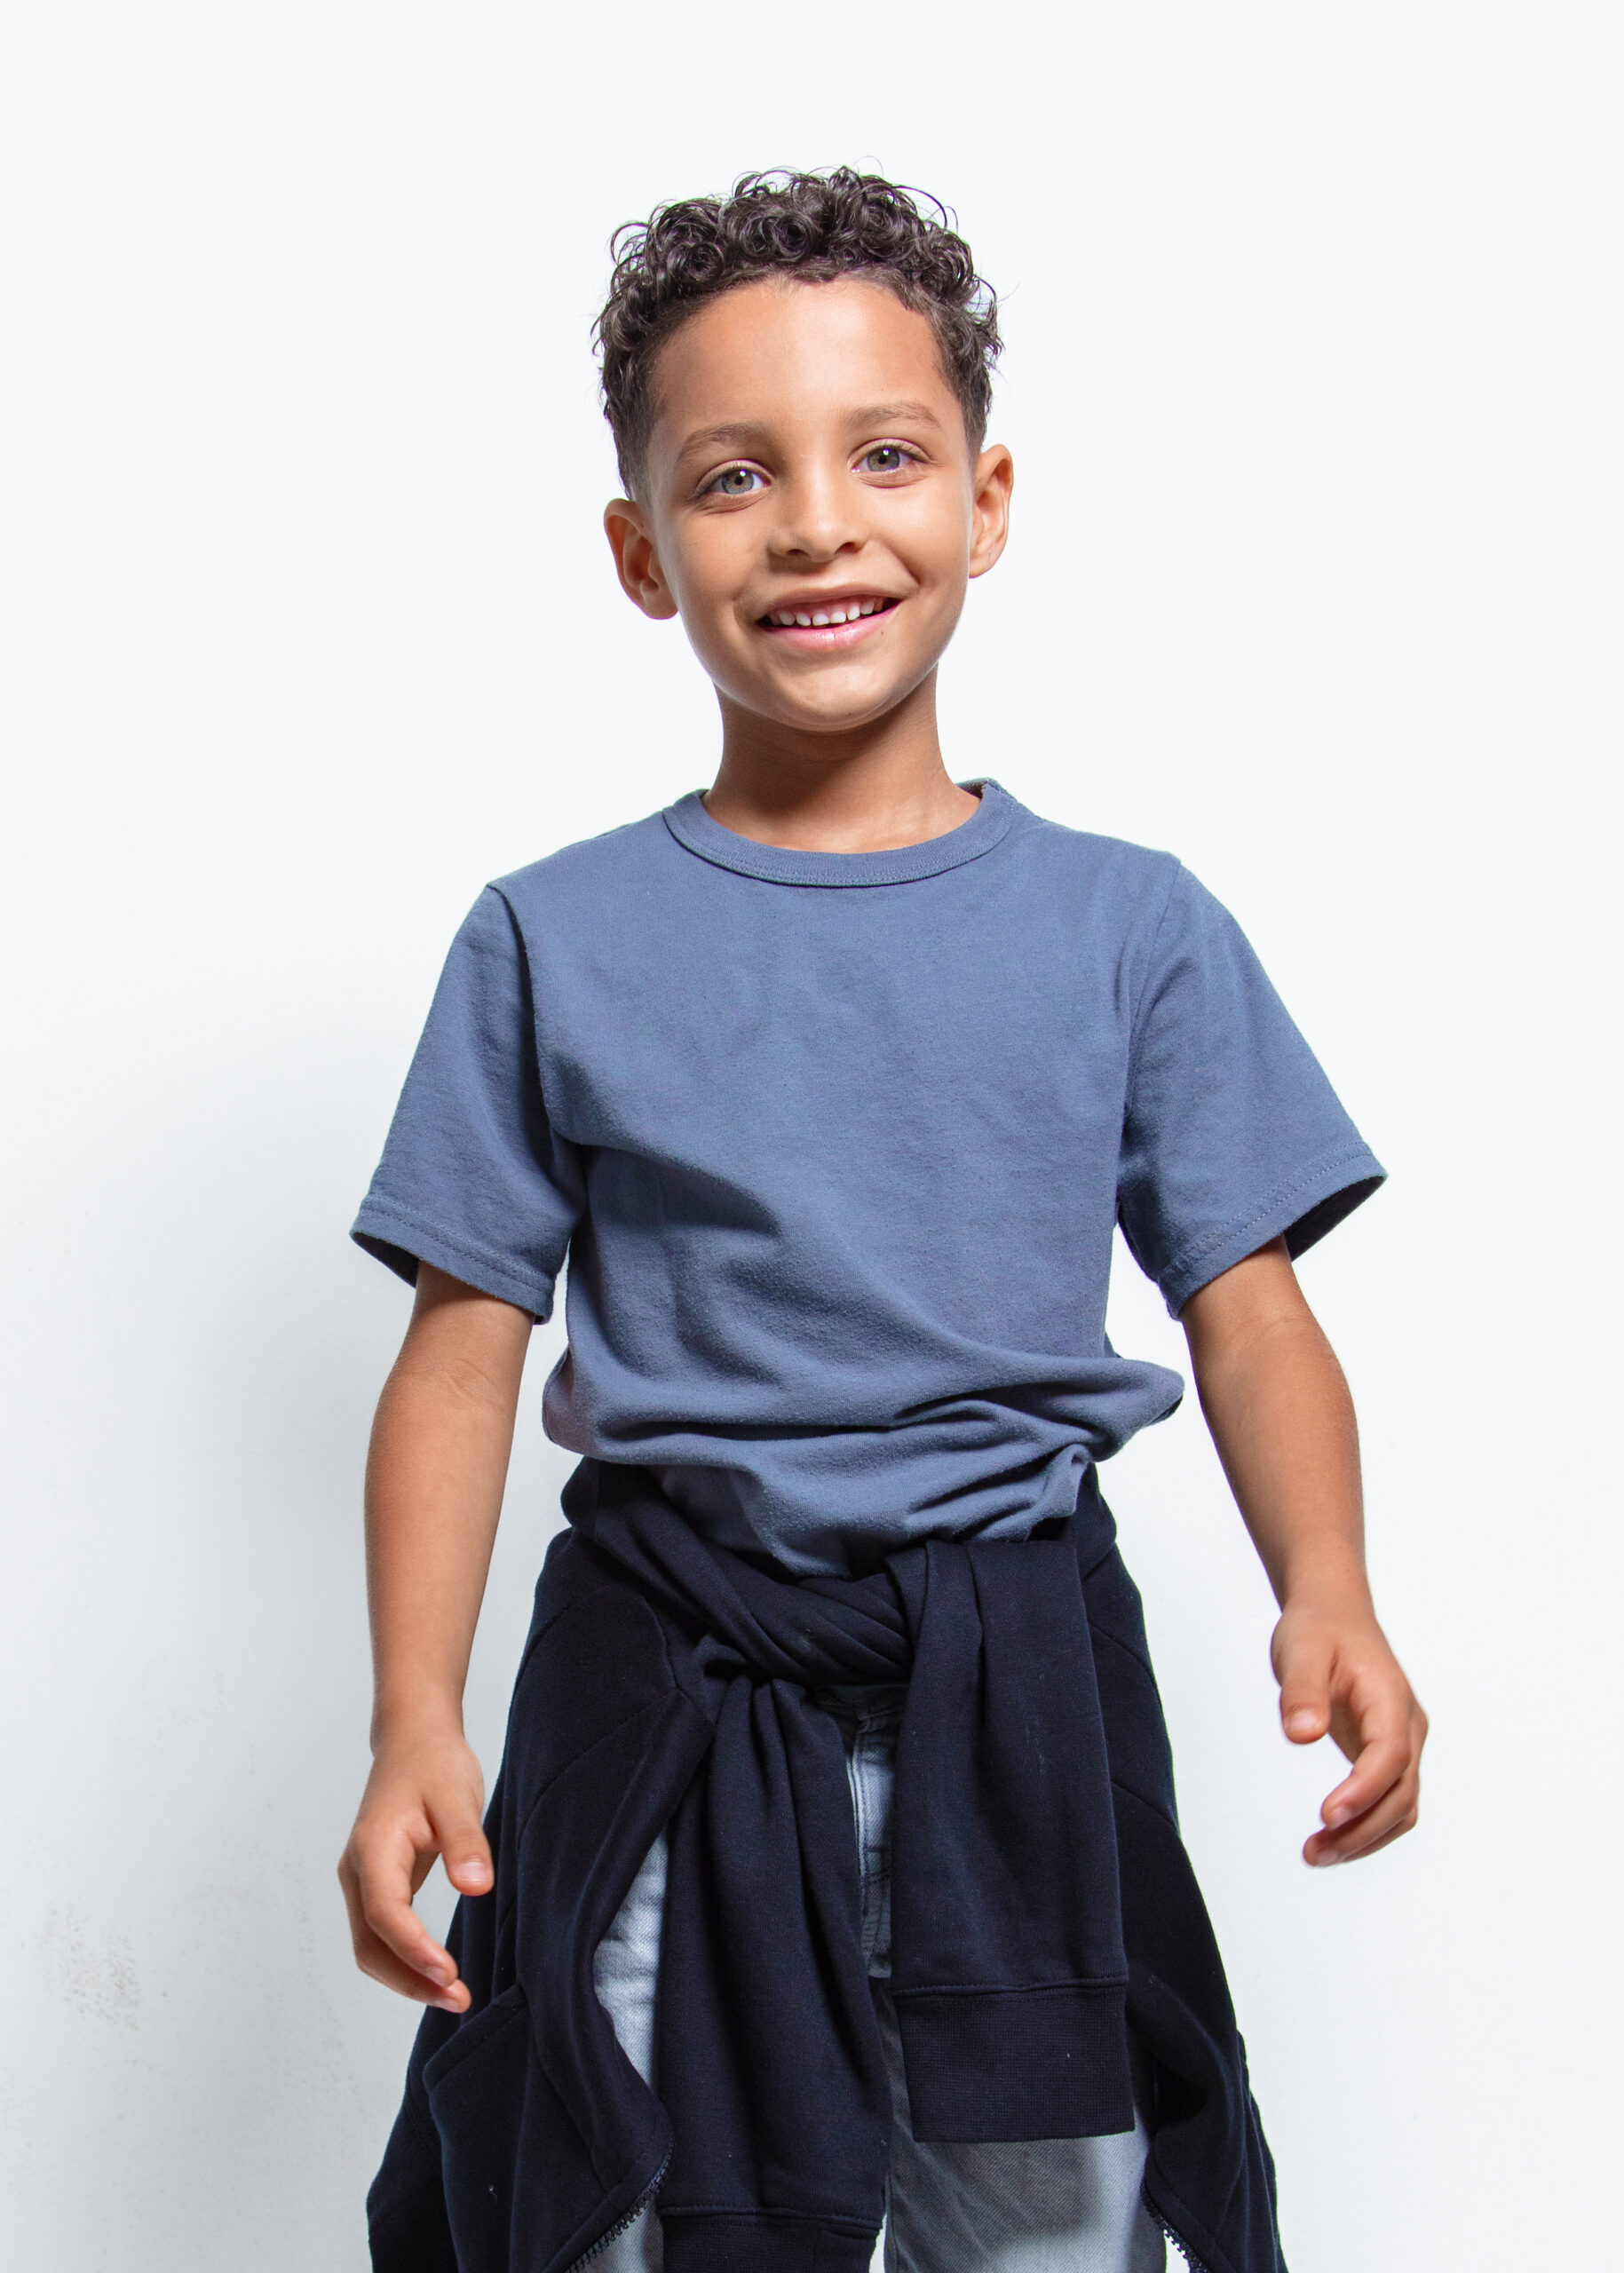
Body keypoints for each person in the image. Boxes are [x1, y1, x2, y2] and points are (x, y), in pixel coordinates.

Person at [338, 170, 1426, 2273]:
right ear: (643, 552)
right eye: (735, 474)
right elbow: (460, 1355)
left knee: (1050, 2231)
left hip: (1017, 1713)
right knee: (618, 2205)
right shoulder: (550, 937)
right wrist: (412, 1713)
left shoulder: (1129, 924)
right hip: (665, 1709)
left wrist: (1334, 1585)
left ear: (988, 501)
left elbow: (1249, 1304)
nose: (817, 524)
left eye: (888, 455)